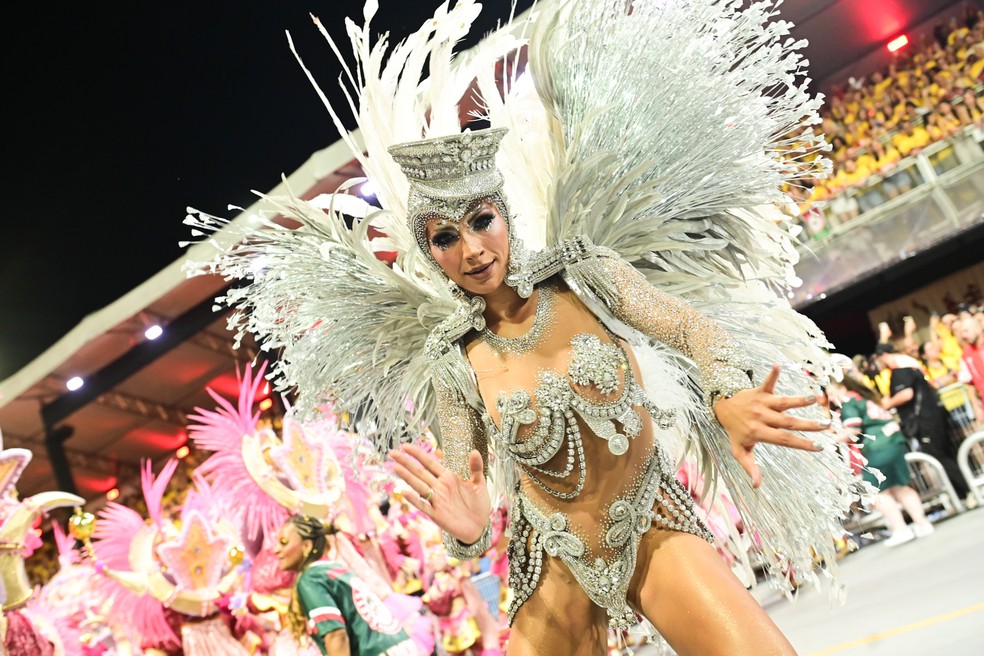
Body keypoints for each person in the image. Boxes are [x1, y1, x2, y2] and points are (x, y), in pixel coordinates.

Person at [186, 1, 872, 653]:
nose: (473, 249)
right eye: (446, 237)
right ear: (430, 253)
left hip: (650, 519)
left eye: (481, 221)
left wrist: (727, 393)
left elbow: (690, 329)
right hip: (552, 560)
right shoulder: (450, 360)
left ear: (504, 214)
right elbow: (466, 486)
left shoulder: (587, 275)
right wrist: (467, 529)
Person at [273, 515, 419, 656]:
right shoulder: (335, 569)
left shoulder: (311, 579)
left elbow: (336, 634)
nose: (276, 550)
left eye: (284, 542)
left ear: (307, 546)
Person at [827, 370, 935, 547]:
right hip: (893, 440)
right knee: (900, 486)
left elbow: (852, 431)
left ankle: (901, 529)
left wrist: (827, 442)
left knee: (876, 493)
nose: (831, 398)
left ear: (842, 388)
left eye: (832, 392)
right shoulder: (863, 398)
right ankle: (922, 523)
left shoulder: (849, 403)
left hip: (878, 446)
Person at [873, 344, 971, 500]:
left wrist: (887, 404)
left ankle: (967, 490)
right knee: (943, 454)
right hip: (932, 416)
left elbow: (906, 394)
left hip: (926, 420)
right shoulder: (910, 366)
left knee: (938, 456)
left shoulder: (900, 370)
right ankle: (961, 493)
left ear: (884, 355)